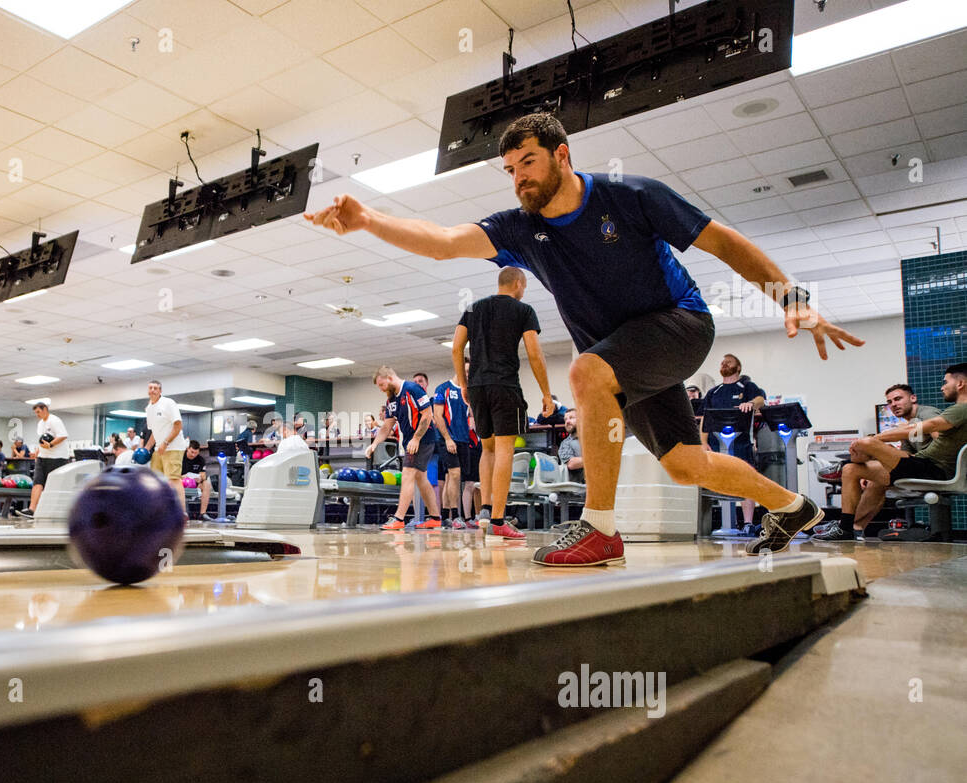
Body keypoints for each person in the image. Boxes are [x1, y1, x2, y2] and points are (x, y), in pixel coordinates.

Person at [307, 110, 862, 565]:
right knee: (686, 463)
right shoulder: (519, 229)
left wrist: (793, 300)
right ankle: (794, 506)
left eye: (528, 161)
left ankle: (601, 530)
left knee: (586, 371)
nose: (519, 176)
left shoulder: (632, 197)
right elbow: (444, 242)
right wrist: (369, 220)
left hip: (680, 326)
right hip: (626, 356)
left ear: (562, 155)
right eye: (510, 169)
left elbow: (722, 242)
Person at [450, 267, 550, 539]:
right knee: (505, 449)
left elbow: (457, 347)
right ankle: (498, 519)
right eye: (524, 287)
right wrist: (546, 393)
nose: (523, 291)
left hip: (478, 387)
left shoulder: (473, 308)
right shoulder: (523, 310)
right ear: (518, 284)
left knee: (488, 448)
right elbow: (535, 354)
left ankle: (485, 509)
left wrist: (463, 384)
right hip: (505, 385)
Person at [814, 365, 967, 541]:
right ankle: (847, 528)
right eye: (890, 402)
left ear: (961, 383)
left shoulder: (956, 409)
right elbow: (908, 454)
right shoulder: (947, 412)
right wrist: (875, 465)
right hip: (921, 464)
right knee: (853, 470)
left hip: (934, 469)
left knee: (866, 442)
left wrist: (875, 441)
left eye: (945, 382)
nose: (942, 387)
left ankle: (839, 467)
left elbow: (933, 430)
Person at [364, 365, 442, 531]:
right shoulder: (391, 399)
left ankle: (399, 519)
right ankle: (435, 518)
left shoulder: (414, 389)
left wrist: (416, 438)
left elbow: (427, 415)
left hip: (423, 440)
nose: (381, 389)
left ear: (390, 378)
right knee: (421, 479)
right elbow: (387, 426)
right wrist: (374, 444)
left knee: (407, 475)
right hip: (410, 442)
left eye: (382, 385)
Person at [702, 354, 767, 533]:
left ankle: (747, 524)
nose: (724, 363)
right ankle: (722, 524)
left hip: (741, 443)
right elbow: (704, 418)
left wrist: (750, 403)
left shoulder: (746, 386)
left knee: (746, 482)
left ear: (738, 367)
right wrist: (703, 442)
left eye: (728, 361)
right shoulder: (713, 392)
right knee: (719, 482)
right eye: (722, 361)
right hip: (716, 444)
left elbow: (761, 400)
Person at [433, 371, 475, 530]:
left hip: (464, 439)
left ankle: (445, 517)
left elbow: (471, 415)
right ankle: (456, 516)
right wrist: (448, 439)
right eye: (465, 370)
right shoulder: (443, 388)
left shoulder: (468, 392)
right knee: (455, 474)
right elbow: (437, 416)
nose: (467, 373)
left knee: (452, 477)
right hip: (448, 439)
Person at [15, 402, 70, 519]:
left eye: (38, 412)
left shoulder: (55, 420)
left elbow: (63, 435)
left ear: (45, 409)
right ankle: (32, 510)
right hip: (42, 457)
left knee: (53, 486)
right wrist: (37, 452)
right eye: (36, 413)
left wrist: (50, 444)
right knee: (37, 482)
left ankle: (53, 511)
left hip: (57, 458)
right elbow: (41, 441)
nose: (37, 415)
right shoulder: (40, 424)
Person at [144, 380, 189, 511]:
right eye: (150, 388)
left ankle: (181, 514)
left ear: (160, 391)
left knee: (174, 479)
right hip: (159, 448)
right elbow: (154, 431)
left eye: (155, 388)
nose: (152, 390)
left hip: (174, 446)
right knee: (155, 480)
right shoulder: (149, 408)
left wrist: (166, 442)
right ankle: (159, 512)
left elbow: (178, 425)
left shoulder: (168, 403)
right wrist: (147, 447)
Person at [883, 383, 940, 455]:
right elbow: (908, 454)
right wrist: (893, 451)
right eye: (889, 402)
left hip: (939, 464)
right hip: (923, 463)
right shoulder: (908, 426)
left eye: (898, 399)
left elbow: (943, 444)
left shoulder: (927, 414)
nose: (893, 404)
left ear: (913, 398)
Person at [182, 440, 214, 520]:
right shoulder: (180, 458)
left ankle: (203, 513)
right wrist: (184, 476)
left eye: (196, 453)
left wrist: (200, 478)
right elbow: (173, 475)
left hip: (196, 483)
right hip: (181, 482)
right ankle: (182, 513)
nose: (193, 455)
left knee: (207, 483)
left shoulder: (200, 460)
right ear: (188, 449)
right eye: (192, 452)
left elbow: (203, 475)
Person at [558, 408, 585, 483]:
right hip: (580, 488)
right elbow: (571, 463)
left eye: (571, 418)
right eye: (565, 419)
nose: (567, 421)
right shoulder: (565, 443)